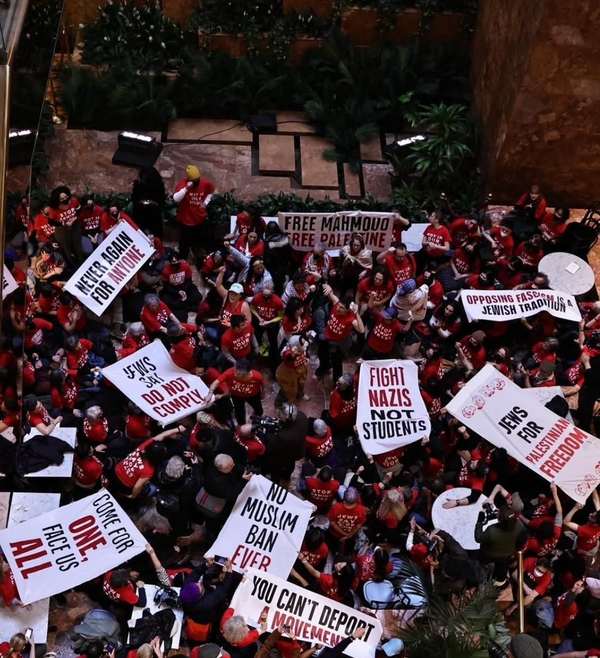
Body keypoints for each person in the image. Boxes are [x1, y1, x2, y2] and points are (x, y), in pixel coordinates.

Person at [315, 284, 364, 381]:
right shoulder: (336, 303)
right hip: (326, 338)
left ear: (347, 310)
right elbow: (325, 287)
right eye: (339, 306)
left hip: (339, 344)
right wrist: (327, 286)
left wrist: (357, 314)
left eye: (341, 308)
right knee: (322, 355)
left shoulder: (351, 319)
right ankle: (324, 368)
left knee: (337, 364)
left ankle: (337, 384)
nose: (338, 308)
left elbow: (361, 330)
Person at [173, 164, 215, 260]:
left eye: (198, 179)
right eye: (194, 180)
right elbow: (176, 198)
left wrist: (205, 203)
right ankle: (183, 256)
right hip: (185, 218)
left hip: (199, 217)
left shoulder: (204, 183)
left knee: (198, 238)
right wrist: (186, 189)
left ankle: (197, 254)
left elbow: (211, 191)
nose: (196, 181)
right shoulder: (183, 184)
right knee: (184, 240)